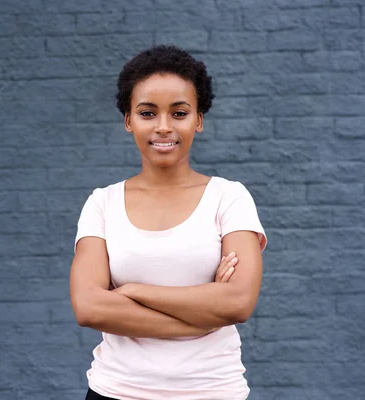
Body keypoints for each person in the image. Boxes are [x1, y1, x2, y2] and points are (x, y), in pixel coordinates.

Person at [70, 45, 267, 400]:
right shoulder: (102, 203)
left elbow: (238, 302)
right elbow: (89, 307)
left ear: (199, 120)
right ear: (128, 120)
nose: (163, 127)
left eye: (179, 113)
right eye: (147, 113)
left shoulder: (229, 198)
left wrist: (133, 292)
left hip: (212, 391)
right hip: (116, 391)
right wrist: (206, 315)